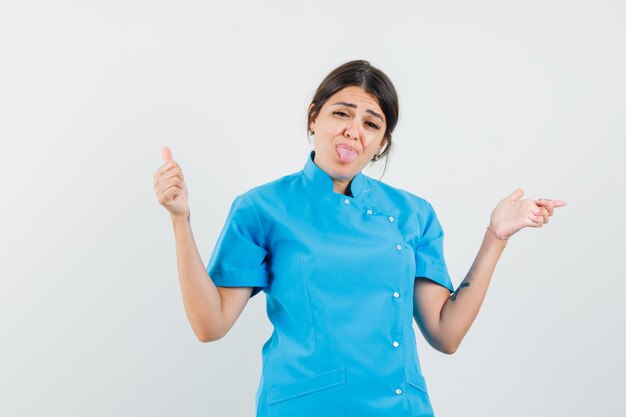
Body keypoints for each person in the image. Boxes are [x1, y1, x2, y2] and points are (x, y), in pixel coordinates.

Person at [152, 60, 566, 417]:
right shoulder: (263, 208)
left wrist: (495, 237)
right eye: (341, 113)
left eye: (371, 123)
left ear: (381, 143)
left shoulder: (413, 213)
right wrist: (180, 220)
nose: (354, 131)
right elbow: (210, 325)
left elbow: (446, 333)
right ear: (314, 117)